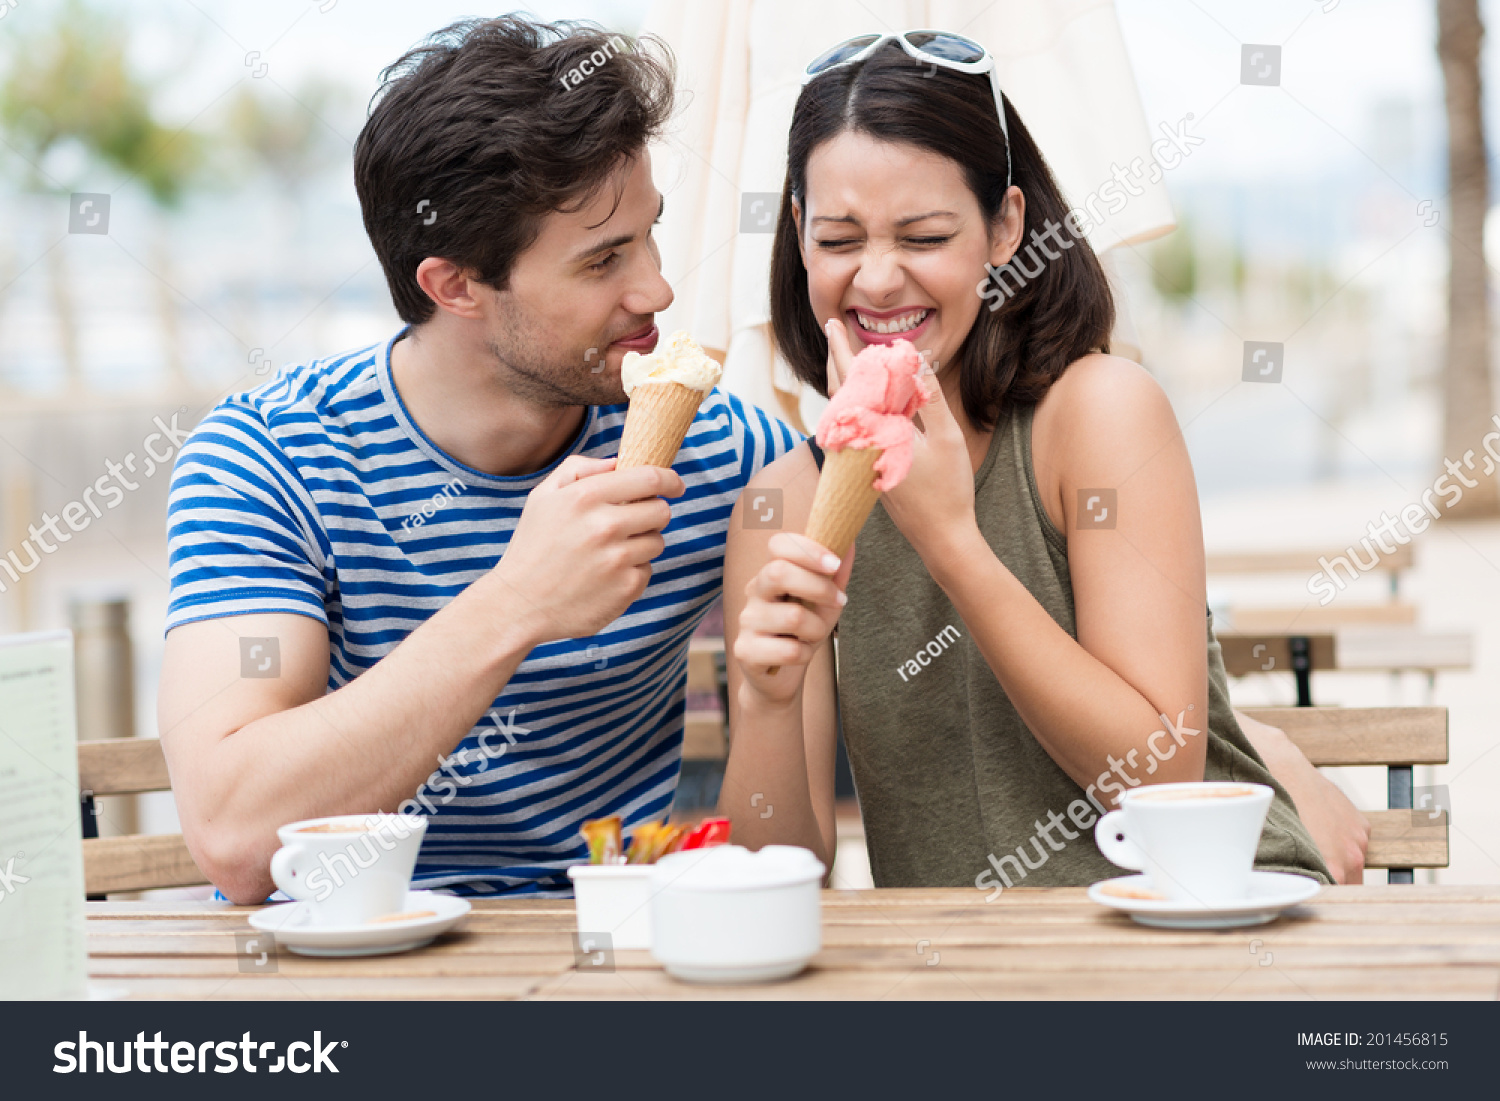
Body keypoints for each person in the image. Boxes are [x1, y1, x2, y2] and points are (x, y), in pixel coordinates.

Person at [157, 17, 798, 903]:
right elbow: (233, 834)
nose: (656, 289)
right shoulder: (269, 462)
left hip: (619, 959)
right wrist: (518, 602)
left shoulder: (730, 455)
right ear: (454, 285)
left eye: (649, 234)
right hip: (360, 976)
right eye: (604, 259)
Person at [719, 32, 1370, 890]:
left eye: (923, 235)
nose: (877, 280)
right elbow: (776, 874)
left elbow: (1157, 780)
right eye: (839, 240)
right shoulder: (785, 505)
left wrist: (951, 539)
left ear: (1005, 228)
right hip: (968, 982)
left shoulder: (1101, 415)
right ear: (798, 236)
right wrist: (766, 702)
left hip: (1205, 928)